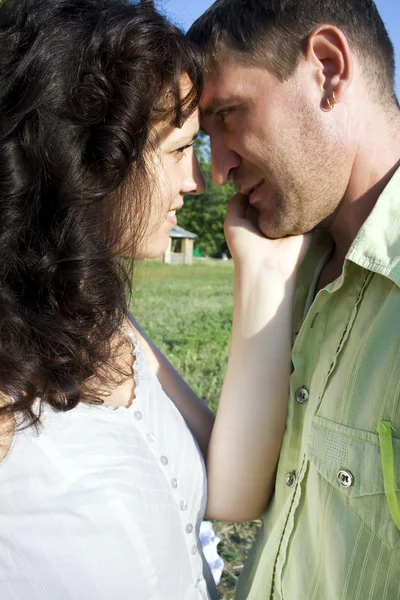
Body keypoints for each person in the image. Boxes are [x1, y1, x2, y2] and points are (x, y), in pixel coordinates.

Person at [0, 0, 308, 598]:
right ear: (86, 160)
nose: (198, 180)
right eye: (176, 151)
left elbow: (233, 489)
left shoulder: (105, 321)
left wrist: (262, 273)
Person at [188, 0, 400, 599]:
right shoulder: (295, 265)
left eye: (229, 113)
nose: (218, 168)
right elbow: (233, 494)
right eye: (205, 138)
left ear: (328, 71)